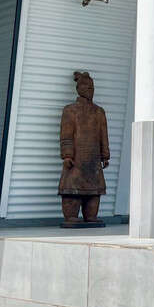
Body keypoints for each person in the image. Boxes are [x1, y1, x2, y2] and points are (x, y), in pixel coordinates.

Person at [59, 70, 110, 226]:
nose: (90, 90)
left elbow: (103, 135)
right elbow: (66, 134)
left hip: (94, 160)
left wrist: (105, 155)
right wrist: (67, 155)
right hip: (76, 160)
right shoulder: (70, 110)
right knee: (72, 189)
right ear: (79, 89)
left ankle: (91, 216)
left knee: (94, 191)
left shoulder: (99, 112)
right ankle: (71, 216)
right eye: (87, 87)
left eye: (92, 87)